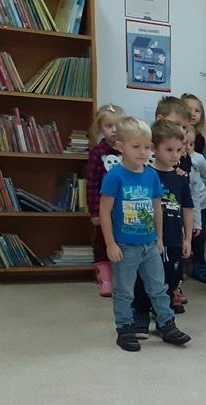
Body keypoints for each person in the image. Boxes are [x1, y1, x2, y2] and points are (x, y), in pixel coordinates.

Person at [98, 117, 191, 351]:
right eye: (136, 146)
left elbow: (157, 208)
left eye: (147, 147)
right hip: (125, 246)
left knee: (159, 287)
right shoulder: (114, 176)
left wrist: (159, 238)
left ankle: (166, 323)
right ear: (120, 147)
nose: (143, 152)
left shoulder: (151, 175)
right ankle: (125, 328)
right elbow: (105, 211)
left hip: (150, 244)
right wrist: (110, 244)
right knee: (124, 291)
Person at [131, 120, 193, 326]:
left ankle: (162, 314)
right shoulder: (145, 174)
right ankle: (141, 310)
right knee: (144, 277)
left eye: (179, 150)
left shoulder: (181, 178)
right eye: (169, 150)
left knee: (171, 277)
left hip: (174, 239)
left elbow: (187, 209)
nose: (175, 155)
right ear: (154, 149)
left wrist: (188, 239)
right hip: (148, 239)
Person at [85, 103, 124, 297]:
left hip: (124, 208)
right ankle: (105, 279)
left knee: (123, 242)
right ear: (101, 128)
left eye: (118, 125)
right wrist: (94, 211)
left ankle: (121, 278)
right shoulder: (97, 153)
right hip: (104, 208)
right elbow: (92, 183)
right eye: (109, 126)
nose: (114, 130)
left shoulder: (127, 150)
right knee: (102, 242)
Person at [182, 124, 206, 284]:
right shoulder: (175, 160)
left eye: (191, 144)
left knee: (199, 236)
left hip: (199, 204)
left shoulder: (198, 159)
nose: (188, 147)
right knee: (182, 236)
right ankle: (182, 266)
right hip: (182, 206)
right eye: (184, 143)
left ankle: (200, 264)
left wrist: (201, 189)